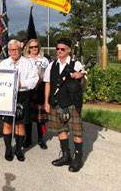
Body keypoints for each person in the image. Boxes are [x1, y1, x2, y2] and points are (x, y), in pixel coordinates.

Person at [44, 38, 85, 172]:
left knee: (77, 132)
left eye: (62, 49)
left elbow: (84, 80)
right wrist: (46, 102)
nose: (59, 51)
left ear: (68, 50)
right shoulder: (51, 65)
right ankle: (66, 155)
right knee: (61, 130)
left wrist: (79, 76)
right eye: (57, 49)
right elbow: (48, 84)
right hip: (56, 102)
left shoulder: (76, 63)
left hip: (72, 103)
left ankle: (78, 159)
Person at [0, 39, 39, 162]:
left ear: (20, 49)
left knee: (20, 124)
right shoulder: (4, 63)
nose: (14, 52)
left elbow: (35, 79)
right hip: (8, 95)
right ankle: (8, 149)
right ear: (8, 51)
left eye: (16, 49)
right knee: (7, 123)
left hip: (23, 95)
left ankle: (19, 149)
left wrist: (22, 83)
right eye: (11, 50)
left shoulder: (28, 63)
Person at [23, 39, 50, 149]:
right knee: (27, 116)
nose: (34, 49)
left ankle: (41, 139)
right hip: (28, 90)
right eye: (32, 47)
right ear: (28, 48)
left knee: (40, 118)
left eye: (36, 47)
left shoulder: (45, 60)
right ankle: (28, 139)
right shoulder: (25, 60)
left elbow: (48, 76)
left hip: (41, 89)